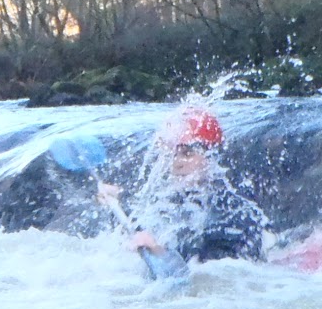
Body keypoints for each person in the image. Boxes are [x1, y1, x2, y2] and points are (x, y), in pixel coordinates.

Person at [98, 109, 266, 265]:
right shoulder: (180, 198)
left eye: (187, 154)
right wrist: (119, 202)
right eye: (173, 154)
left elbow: (214, 272)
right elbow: (145, 225)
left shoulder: (232, 207)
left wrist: (158, 251)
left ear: (212, 158)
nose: (176, 163)